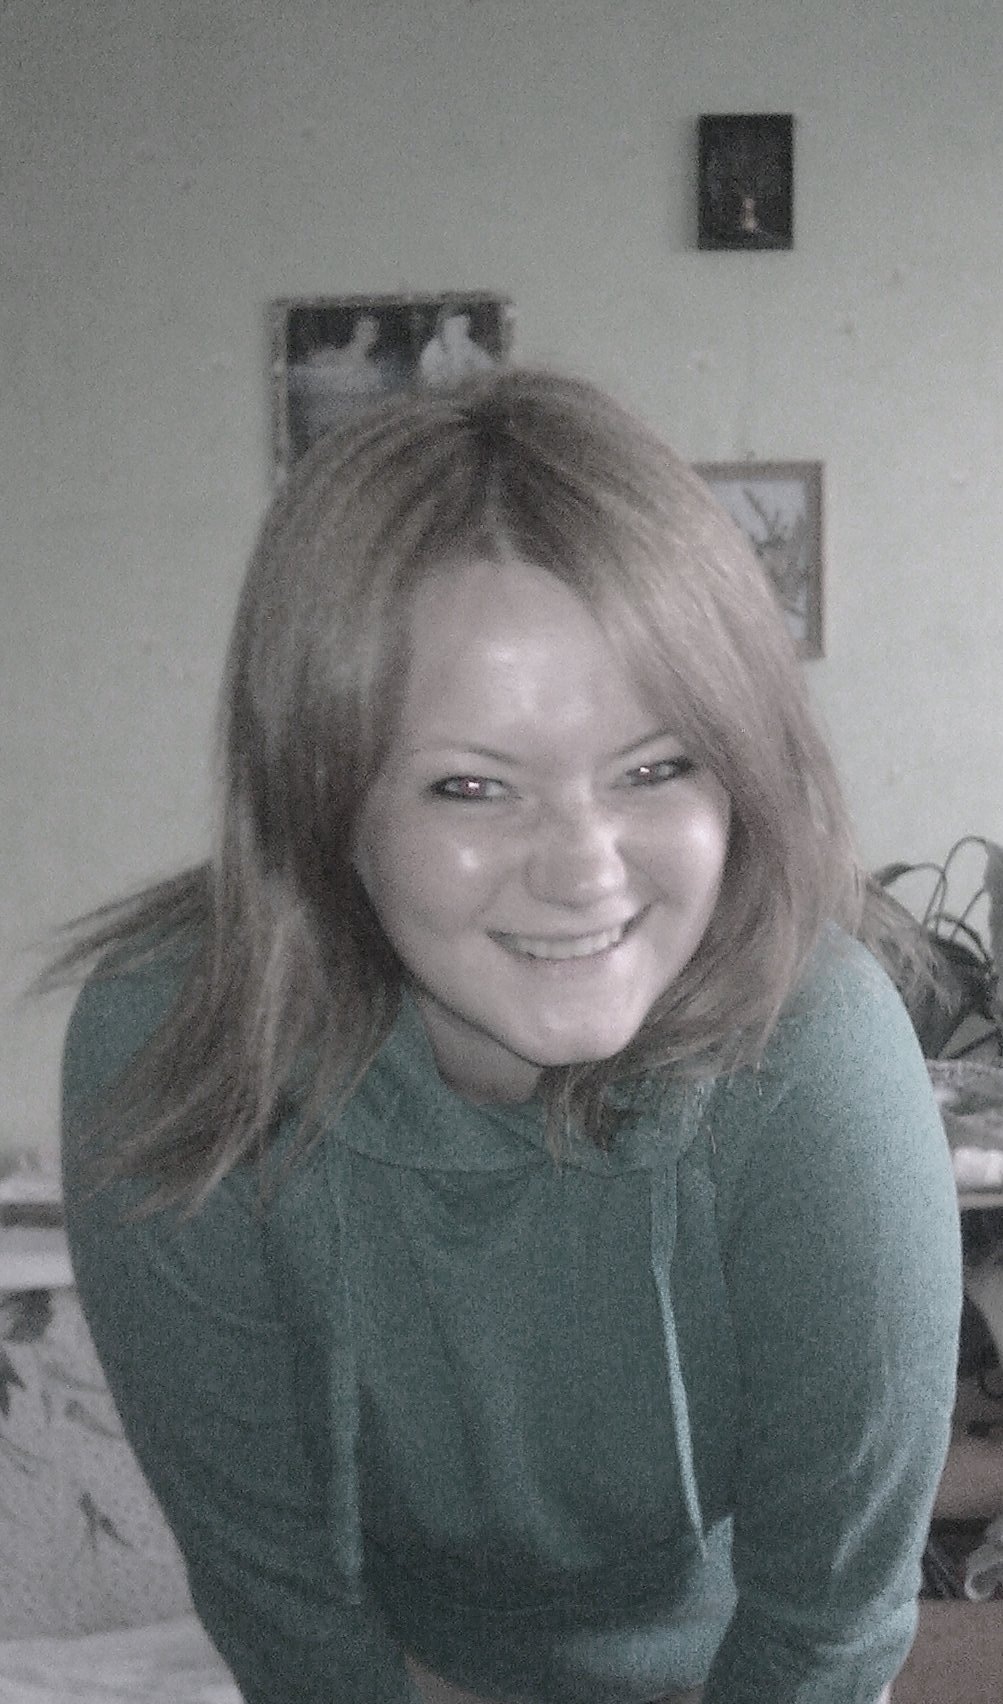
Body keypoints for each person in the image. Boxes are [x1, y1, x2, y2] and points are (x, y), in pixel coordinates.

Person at [49, 368, 961, 1704]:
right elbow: (277, 1600)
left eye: (657, 766)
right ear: (322, 801)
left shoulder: (817, 1060)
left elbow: (826, 1628)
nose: (586, 872)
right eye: (471, 786)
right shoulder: (174, 1045)